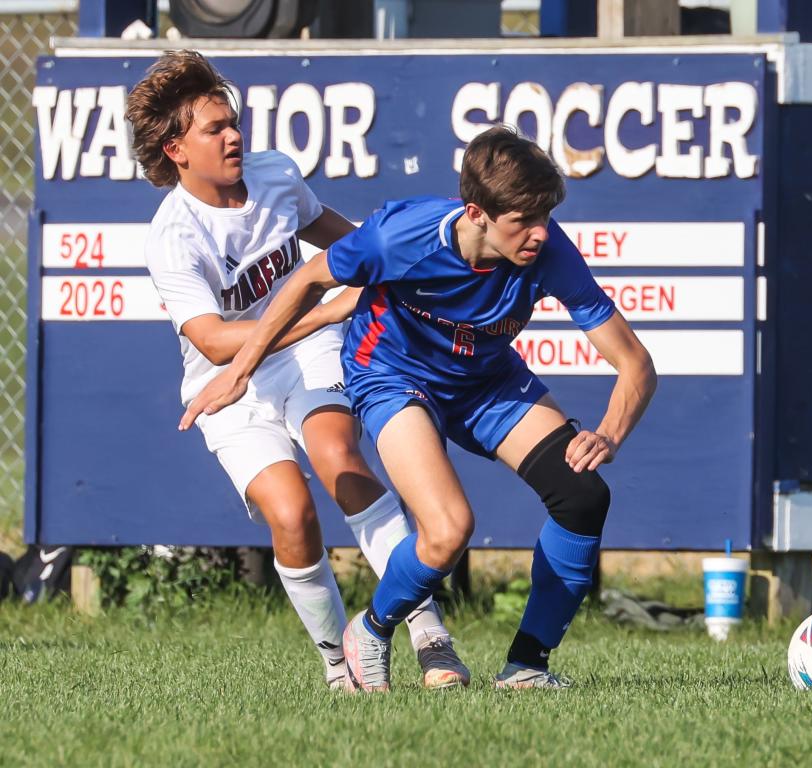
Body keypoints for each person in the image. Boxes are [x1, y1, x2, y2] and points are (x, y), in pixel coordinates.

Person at [182, 125, 658, 692]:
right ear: (476, 212)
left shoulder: (549, 250)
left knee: (583, 496)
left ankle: (526, 666)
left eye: (545, 217)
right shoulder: (399, 236)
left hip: (483, 380)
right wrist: (240, 369)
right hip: (392, 376)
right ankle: (372, 630)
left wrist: (607, 433)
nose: (539, 234)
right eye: (523, 222)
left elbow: (636, 364)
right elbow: (309, 279)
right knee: (450, 529)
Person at [126, 50, 469, 690]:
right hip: (225, 383)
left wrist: (405, 262)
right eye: (214, 129)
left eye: (234, 122)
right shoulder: (172, 235)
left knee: (339, 456)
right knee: (292, 515)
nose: (233, 136)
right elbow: (215, 341)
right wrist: (319, 311)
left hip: (304, 355)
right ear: (175, 149)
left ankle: (428, 634)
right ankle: (341, 668)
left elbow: (344, 240)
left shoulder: (276, 174)